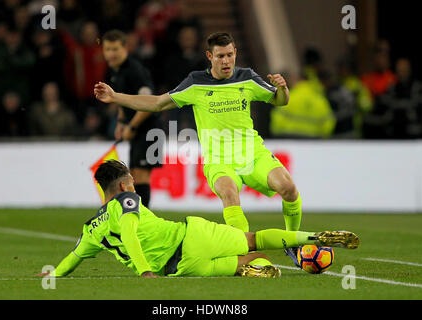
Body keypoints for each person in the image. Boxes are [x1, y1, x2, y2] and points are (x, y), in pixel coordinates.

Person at [94, 32, 304, 266]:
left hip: (252, 153)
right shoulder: (195, 83)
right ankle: (242, 255)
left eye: (230, 55)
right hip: (219, 160)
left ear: (236, 53)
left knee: (288, 188)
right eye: (220, 56)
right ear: (209, 56)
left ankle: (293, 244)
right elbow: (156, 103)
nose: (226, 61)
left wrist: (283, 88)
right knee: (229, 192)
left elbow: (280, 100)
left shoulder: (248, 78)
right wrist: (115, 97)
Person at [38, 160, 359, 278]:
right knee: (254, 242)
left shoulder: (91, 228)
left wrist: (52, 274)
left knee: (242, 266)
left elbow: (72, 258)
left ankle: (256, 271)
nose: (134, 186)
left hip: (178, 269)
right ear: (123, 185)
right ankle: (313, 238)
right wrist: (145, 272)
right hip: (189, 237)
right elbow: (131, 234)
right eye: (132, 182)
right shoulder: (128, 200)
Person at [101, 29, 162, 207]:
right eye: (107, 49)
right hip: (139, 129)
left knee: (141, 175)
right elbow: (124, 99)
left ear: (125, 48)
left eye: (115, 49)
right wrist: (121, 122)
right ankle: (140, 218)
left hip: (151, 129)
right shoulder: (116, 71)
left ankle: (144, 221)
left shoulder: (135, 71)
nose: (111, 54)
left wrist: (132, 127)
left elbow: (148, 103)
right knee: (134, 175)